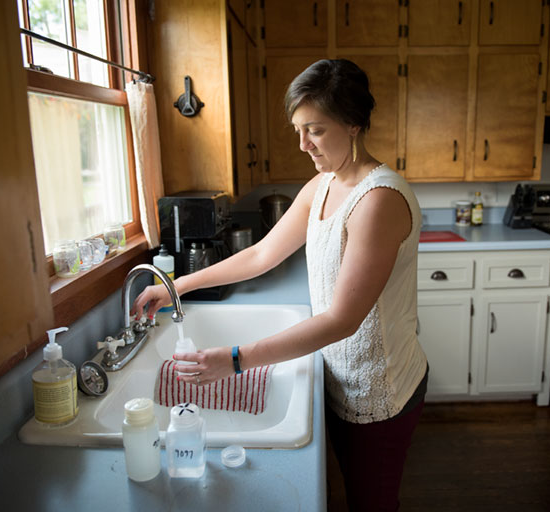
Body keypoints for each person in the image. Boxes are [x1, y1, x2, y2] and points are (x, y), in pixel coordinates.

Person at [132, 59, 428, 511]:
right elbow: (260, 255)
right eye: (298, 130)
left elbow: (342, 321)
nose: (304, 144)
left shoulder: (378, 201)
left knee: (373, 502)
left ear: (353, 125)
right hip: (341, 378)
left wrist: (235, 360)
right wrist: (175, 287)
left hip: (380, 391)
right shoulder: (323, 185)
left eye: (316, 130)